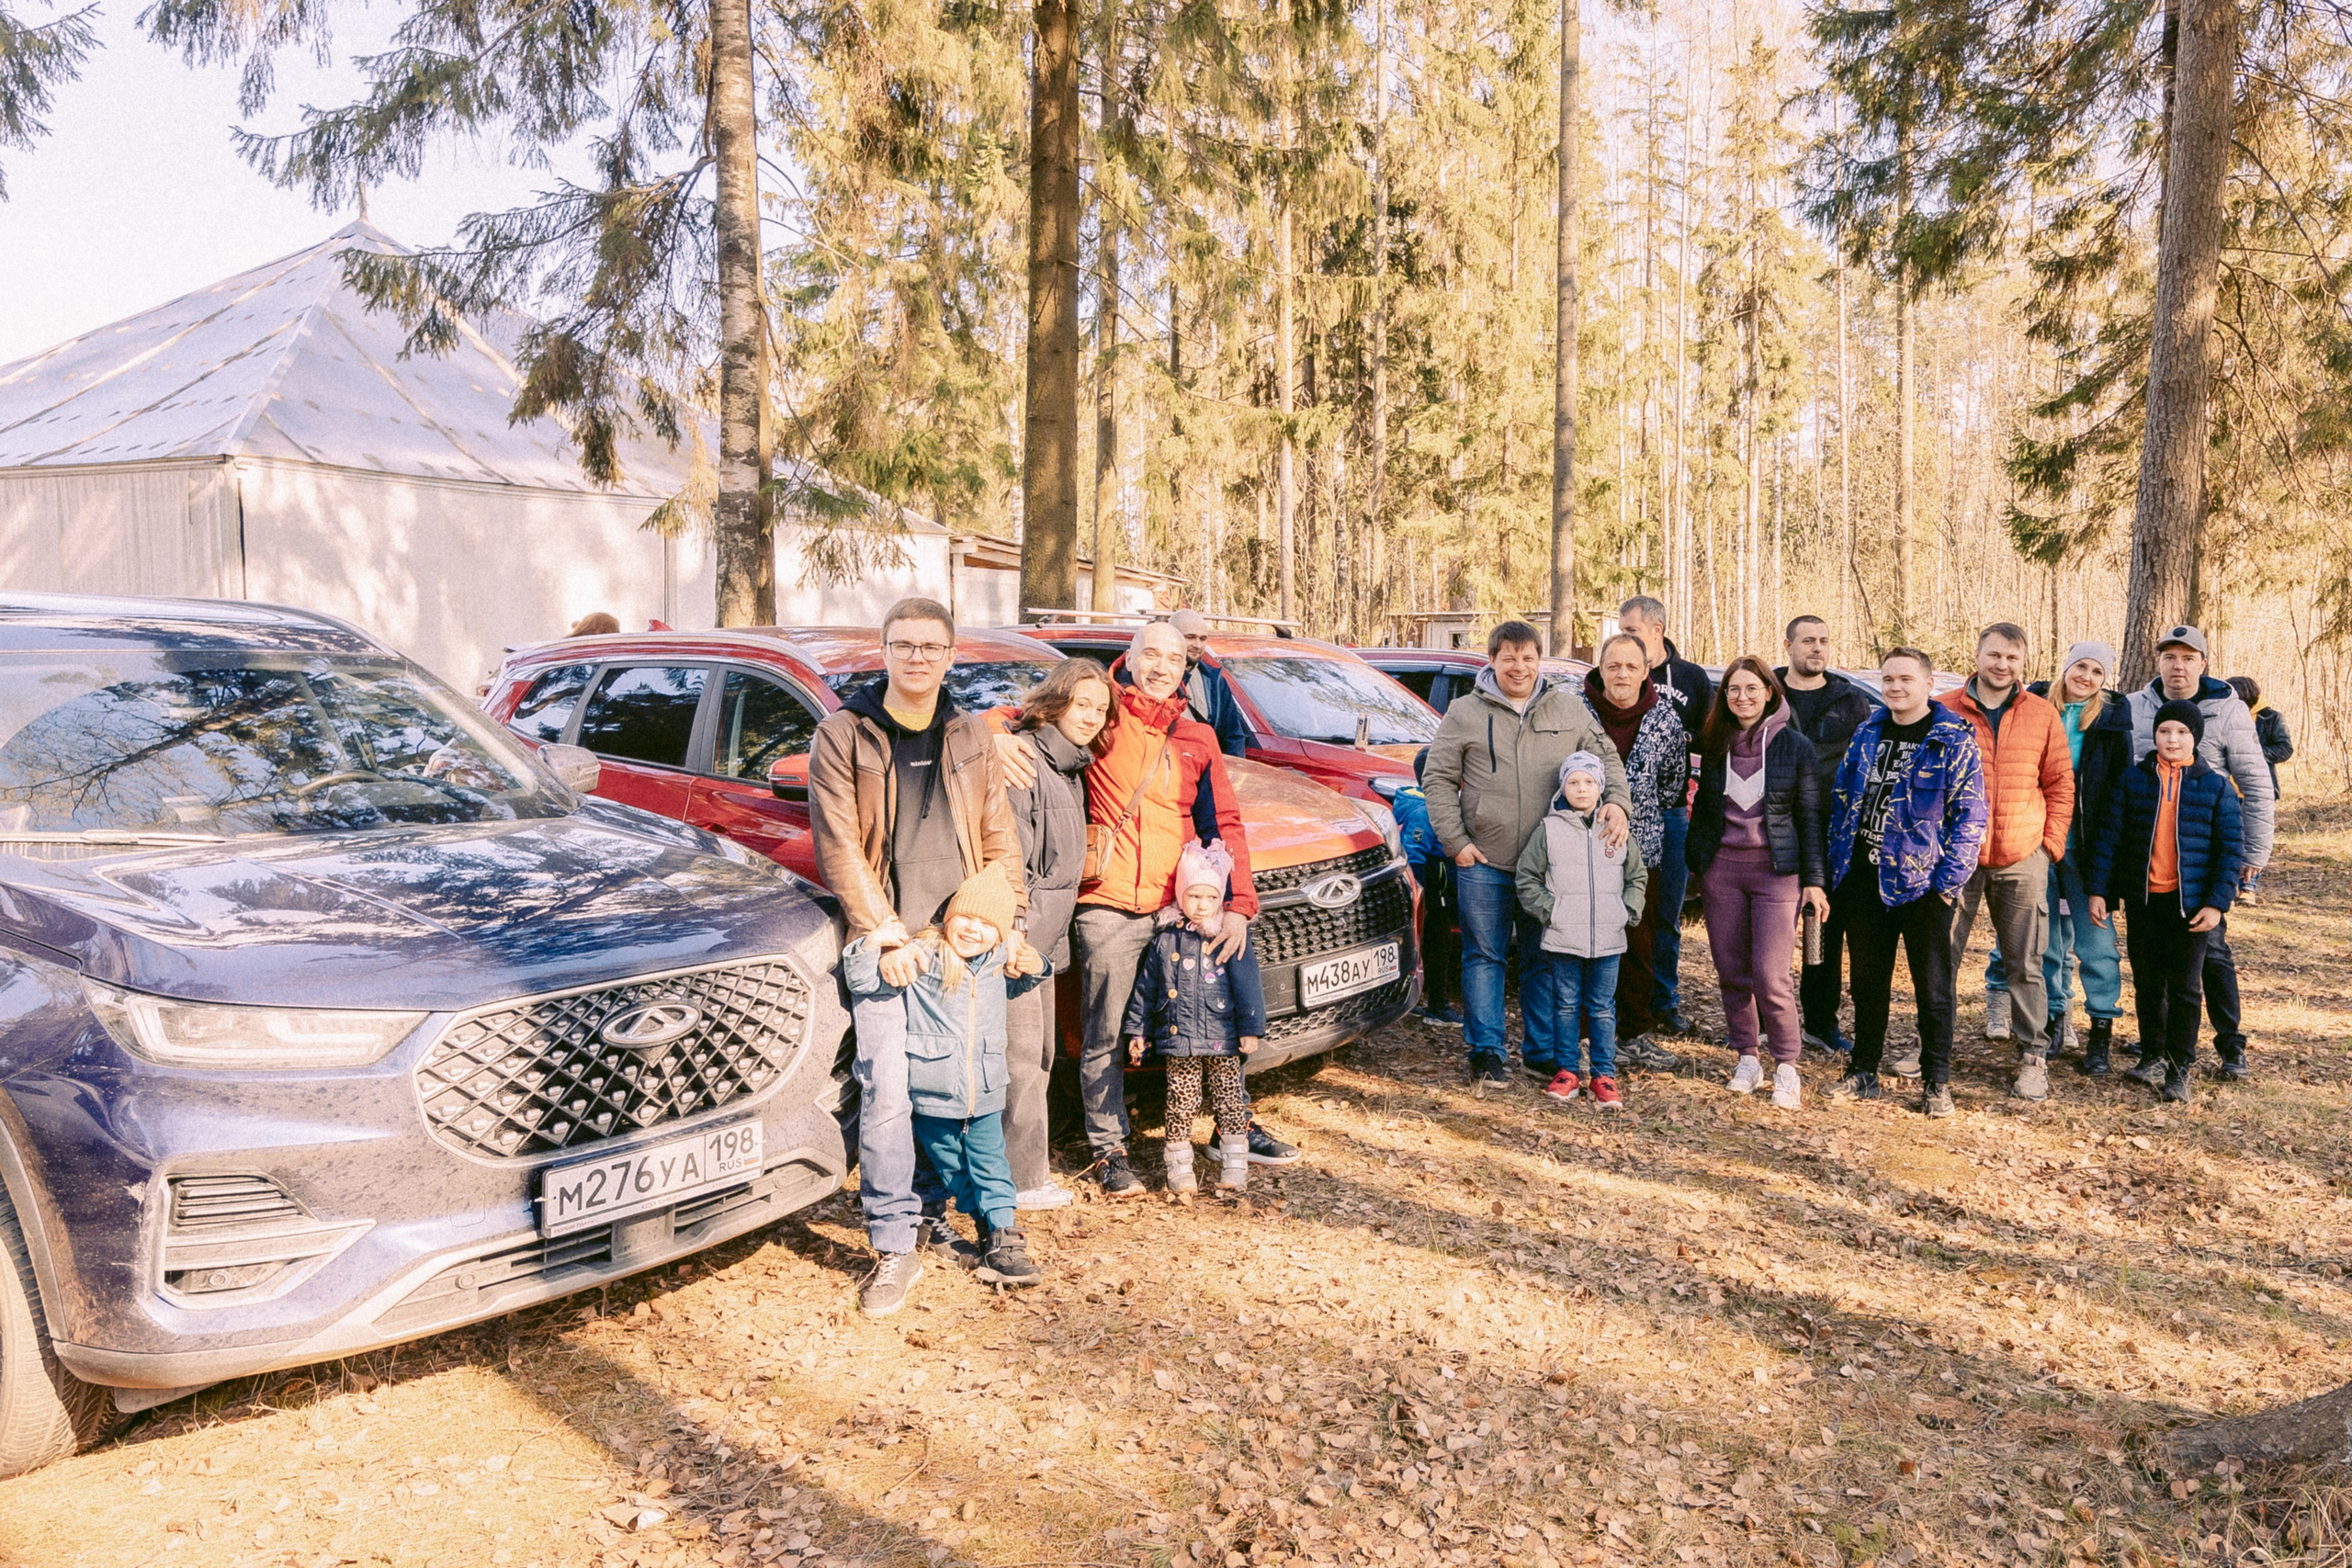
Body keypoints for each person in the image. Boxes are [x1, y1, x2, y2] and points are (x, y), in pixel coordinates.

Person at [810, 597, 1026, 1318]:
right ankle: (896, 1241)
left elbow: (1000, 838)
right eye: (903, 645)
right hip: (888, 948)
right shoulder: (843, 734)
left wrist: (1008, 920)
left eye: (931, 646)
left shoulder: (969, 733)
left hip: (960, 940)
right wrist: (883, 930)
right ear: (884, 649)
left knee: (967, 1087)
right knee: (888, 1093)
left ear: (950, 653)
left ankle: (968, 1213)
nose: (917, 657)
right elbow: (839, 844)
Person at [1070, 621, 1259, 1193]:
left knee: (1214, 1021)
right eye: (1149, 653)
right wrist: (999, 738)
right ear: (1128, 658)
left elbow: (1222, 824)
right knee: (1104, 1033)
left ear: (1186, 667)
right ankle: (1109, 1148)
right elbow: (1011, 718)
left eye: (1172, 658)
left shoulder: (1196, 736)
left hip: (1179, 910)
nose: (1160, 666)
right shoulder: (1099, 714)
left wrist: (1237, 905)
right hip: (1108, 905)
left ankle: (1233, 1125)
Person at [1423, 620, 1633, 1087]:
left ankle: (1542, 1052)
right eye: (1509, 657)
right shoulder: (1464, 712)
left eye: (1528, 657)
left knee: (1543, 957)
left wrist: (1617, 801)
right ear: (1492, 660)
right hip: (1485, 860)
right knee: (1485, 956)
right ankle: (1487, 1052)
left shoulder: (1567, 707)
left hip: (1551, 865)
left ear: (1540, 659)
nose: (1519, 666)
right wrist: (1457, 842)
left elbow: (1607, 759)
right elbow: (1436, 779)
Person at [842, 864, 1049, 1296]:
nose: (973, 931)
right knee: (952, 1167)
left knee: (994, 1164)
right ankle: (978, 1220)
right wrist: (869, 946)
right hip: (935, 1093)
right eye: (967, 918)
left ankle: (1003, 1235)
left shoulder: (996, 965)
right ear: (949, 917)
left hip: (987, 1091)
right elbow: (862, 978)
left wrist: (1037, 961)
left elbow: (1031, 975)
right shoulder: (925, 956)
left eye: (987, 925)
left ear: (1001, 935)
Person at [1826, 649, 1987, 1118]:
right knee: (1867, 982)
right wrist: (1839, 867)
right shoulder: (1868, 732)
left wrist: (1946, 884)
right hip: (1862, 879)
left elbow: (1971, 816)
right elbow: (1843, 799)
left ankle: (1937, 1082)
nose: (1896, 687)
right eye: (1888, 679)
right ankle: (1864, 1071)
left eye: (1906, 680)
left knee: (1933, 988)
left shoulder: (1952, 739)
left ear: (1929, 684)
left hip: (1923, 886)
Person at [2120, 626, 2273, 1081]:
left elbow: (2255, 781)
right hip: (2153, 862)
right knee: (2154, 960)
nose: (2178, 666)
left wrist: (2255, 851)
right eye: (2170, 657)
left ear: (2203, 663)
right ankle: (2160, 1044)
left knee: (2213, 953)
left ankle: (2230, 1045)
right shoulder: (2134, 707)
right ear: (2159, 662)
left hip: (2204, 858)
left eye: (2188, 657)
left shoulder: (2229, 710)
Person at [2084, 701, 2245, 1105]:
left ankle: (2179, 1066)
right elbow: (2108, 838)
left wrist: (2216, 904)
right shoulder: (2133, 780)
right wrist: (2099, 890)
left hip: (2189, 906)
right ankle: (2153, 1054)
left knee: (2187, 987)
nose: (2172, 740)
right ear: (2154, 735)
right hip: (2144, 900)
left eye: (2182, 733)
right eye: (2165, 731)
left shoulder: (2214, 785)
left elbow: (2229, 851)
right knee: (2149, 982)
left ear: (2196, 738)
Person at [1687, 658, 1829, 1111]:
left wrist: (1814, 882)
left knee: (1771, 976)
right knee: (1732, 973)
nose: (1742, 697)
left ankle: (1786, 1064)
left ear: (1770, 692)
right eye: (1733, 690)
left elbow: (1809, 817)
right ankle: (1747, 1056)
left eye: (1751, 688)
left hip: (1776, 873)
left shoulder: (1795, 746)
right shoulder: (1713, 743)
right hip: (1722, 871)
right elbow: (1703, 808)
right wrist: (1698, 862)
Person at [1939, 623, 2075, 1101]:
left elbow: (2060, 784)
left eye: (2012, 658)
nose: (2002, 665)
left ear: (2024, 664)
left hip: (2022, 855)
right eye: (1994, 655)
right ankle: (1932, 1048)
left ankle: (2033, 1055)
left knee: (2026, 962)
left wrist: (2048, 847)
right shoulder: (1945, 710)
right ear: (1977, 656)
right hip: (1956, 858)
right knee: (1940, 957)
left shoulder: (2040, 714)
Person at [1001, 659, 1114, 1210]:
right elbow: (1010, 858)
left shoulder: (1069, 766)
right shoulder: (1027, 761)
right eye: (1082, 703)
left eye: (1100, 708)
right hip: (1021, 940)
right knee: (1020, 1060)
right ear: (1056, 700)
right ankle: (1020, 1182)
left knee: (1042, 1053)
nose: (1091, 716)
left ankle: (1027, 1172)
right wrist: (1015, 935)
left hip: (1047, 937)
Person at [1989, 642, 2133, 1074]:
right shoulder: (2032, 707)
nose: (2085, 677)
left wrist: (2106, 871)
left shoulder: (2110, 724)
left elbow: (2114, 801)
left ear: (2105, 680)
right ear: (2065, 668)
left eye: (2096, 672)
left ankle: (2101, 1029)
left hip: (2085, 852)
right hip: (2034, 844)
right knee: (2044, 941)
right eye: (2080, 667)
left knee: (2096, 944)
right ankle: (2053, 1018)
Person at [1123, 841, 1267, 1192]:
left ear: (1220, 900)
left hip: (1224, 1037)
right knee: (1180, 1102)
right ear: (1179, 897)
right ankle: (1179, 1166)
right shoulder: (1165, 941)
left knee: (1230, 1100)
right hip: (1181, 1038)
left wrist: (1250, 1027)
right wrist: (1138, 1032)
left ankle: (1235, 1164)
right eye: (1193, 897)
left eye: (1210, 898)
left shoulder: (1228, 936)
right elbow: (1146, 989)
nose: (1201, 906)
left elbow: (1248, 984)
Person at [1581, 633, 1692, 1071]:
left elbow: (1672, 786)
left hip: (1640, 853)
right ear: (1601, 668)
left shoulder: (1664, 718)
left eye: (1631, 666)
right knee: (1583, 944)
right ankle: (1586, 1037)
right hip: (1582, 851)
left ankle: (1634, 1033)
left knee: (1638, 944)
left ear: (1646, 671)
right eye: (1614, 666)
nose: (1622, 674)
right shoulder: (1575, 710)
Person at [1515, 753, 1646, 1109]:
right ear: (1563, 788)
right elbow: (1527, 878)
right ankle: (1567, 1072)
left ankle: (1603, 1075)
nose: (1581, 788)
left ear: (1600, 787)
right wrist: (1552, 911)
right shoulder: (1549, 830)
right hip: (1563, 936)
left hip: (1608, 937)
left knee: (1603, 1007)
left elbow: (1636, 876)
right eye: (1573, 782)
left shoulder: (1615, 829)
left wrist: (1626, 911)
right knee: (1566, 1005)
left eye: (1589, 782)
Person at [1779, 615, 1879, 1058]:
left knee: (1825, 930)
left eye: (1823, 641)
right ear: (1789, 646)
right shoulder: (1769, 693)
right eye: (1807, 641)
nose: (1816, 649)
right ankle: (1765, 1020)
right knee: (1771, 931)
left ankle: (1820, 1022)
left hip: (1835, 833)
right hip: (1777, 827)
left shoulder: (1849, 700)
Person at [1615, 597, 1713, 1036]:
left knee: (1665, 914)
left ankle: (1664, 999)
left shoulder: (1691, 679)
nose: (1625, 638)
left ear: (1656, 630)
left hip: (1670, 811)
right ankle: (1617, 1001)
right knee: (1618, 911)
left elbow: (1712, 741)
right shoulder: (1615, 671)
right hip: (1616, 813)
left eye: (1632, 630)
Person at [1394, 746, 1462, 1026]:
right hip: (1432, 887)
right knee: (1437, 943)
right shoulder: (1425, 810)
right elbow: (1414, 851)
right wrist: (1422, 895)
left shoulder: (1439, 802)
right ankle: (1437, 1006)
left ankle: (1431, 1002)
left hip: (1443, 883)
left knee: (1440, 943)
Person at [1168, 608, 1253, 758]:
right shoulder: (1157, 678)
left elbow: (1233, 736)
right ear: (1172, 637)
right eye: (1190, 637)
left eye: (1202, 639)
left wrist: (1231, 772)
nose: (1197, 645)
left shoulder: (1215, 680)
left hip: (1207, 770)